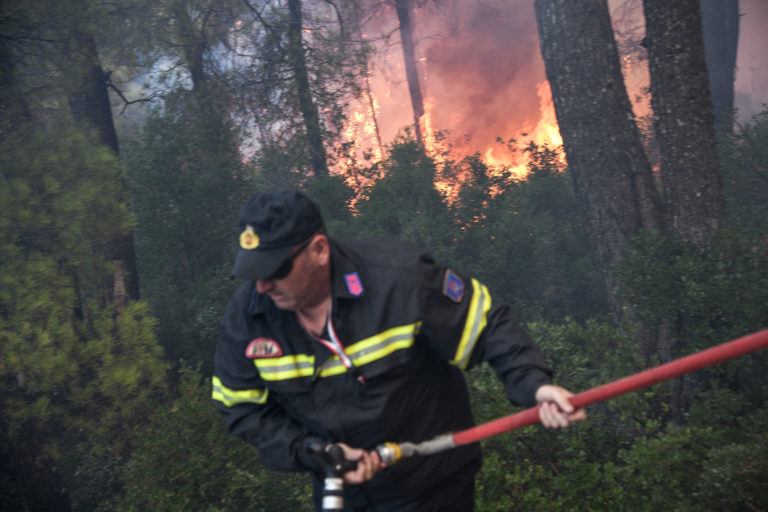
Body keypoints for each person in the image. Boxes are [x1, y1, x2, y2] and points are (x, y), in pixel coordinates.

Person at [212, 189, 586, 511]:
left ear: (319, 250)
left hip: (431, 487)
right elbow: (241, 410)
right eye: (253, 272)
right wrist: (316, 451)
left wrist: (536, 386)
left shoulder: (399, 281)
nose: (262, 287)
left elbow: (487, 325)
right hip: (341, 492)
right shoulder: (248, 320)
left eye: (274, 270)